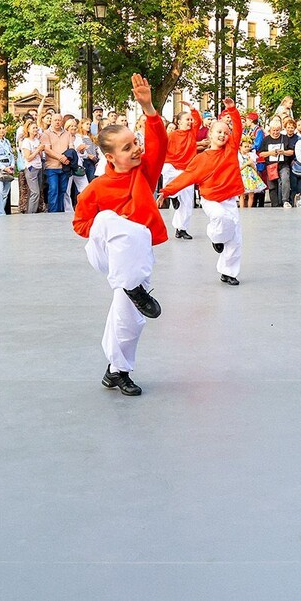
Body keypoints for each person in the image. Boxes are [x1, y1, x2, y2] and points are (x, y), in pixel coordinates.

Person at [72, 75, 167, 397]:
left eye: (136, 142)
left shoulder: (146, 173)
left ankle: (117, 371)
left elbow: (160, 144)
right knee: (112, 220)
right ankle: (133, 287)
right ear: (110, 157)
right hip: (105, 251)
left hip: (134, 257)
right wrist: (112, 225)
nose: (137, 149)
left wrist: (148, 108)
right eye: (128, 148)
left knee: (129, 318)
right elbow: (81, 225)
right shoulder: (97, 188)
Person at [160, 99, 245, 285]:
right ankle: (216, 237)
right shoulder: (201, 158)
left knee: (236, 240)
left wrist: (232, 110)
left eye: (225, 132)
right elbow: (186, 177)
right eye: (218, 132)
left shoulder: (230, 149)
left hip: (230, 199)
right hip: (211, 200)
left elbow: (237, 128)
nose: (222, 135)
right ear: (210, 135)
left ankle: (228, 272)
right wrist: (166, 191)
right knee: (221, 218)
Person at [162, 102, 202, 238]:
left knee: (187, 201)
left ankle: (181, 229)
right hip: (172, 166)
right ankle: (173, 195)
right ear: (179, 122)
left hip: (187, 171)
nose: (190, 121)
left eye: (191, 119)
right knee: (166, 172)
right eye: (187, 119)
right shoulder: (171, 135)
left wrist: (192, 109)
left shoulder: (192, 133)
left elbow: (198, 120)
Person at [40, 113, 73, 212]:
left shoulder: (67, 134)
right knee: (53, 190)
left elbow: (71, 147)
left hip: (64, 166)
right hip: (51, 167)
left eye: (59, 120)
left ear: (62, 121)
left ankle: (61, 212)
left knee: (63, 191)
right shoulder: (46, 133)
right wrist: (60, 157)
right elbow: (47, 150)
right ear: (52, 121)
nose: (57, 122)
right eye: (55, 120)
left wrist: (67, 157)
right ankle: (53, 213)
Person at [18, 121, 45, 214]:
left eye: (36, 128)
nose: (35, 130)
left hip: (39, 167)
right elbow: (28, 157)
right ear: (28, 130)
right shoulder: (26, 142)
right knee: (35, 192)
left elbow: (40, 156)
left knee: (35, 192)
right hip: (31, 168)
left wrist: (40, 150)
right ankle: (31, 213)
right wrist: (38, 150)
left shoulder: (37, 141)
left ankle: (31, 210)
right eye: (33, 128)